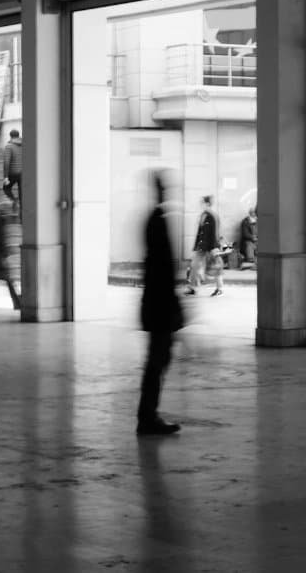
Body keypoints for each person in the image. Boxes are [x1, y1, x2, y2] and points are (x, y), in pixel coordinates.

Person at [137, 171, 185, 436]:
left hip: (157, 304)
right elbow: (161, 269)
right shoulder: (158, 221)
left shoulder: (153, 219)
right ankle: (147, 416)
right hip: (160, 306)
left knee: (157, 360)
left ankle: (148, 415)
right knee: (157, 361)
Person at [186, 195, 223, 297]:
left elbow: (215, 233)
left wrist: (215, 247)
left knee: (216, 267)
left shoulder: (213, 216)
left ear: (207, 203)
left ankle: (219, 289)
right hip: (202, 246)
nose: (200, 204)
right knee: (194, 266)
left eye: (202, 202)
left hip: (211, 246)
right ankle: (192, 288)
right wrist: (196, 246)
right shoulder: (203, 215)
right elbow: (200, 232)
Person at [2, 129, 23, 215]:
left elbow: (7, 161)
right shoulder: (24, 145)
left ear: (10, 136)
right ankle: (22, 217)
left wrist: (6, 176)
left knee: (6, 188)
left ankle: (14, 201)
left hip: (13, 173)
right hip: (23, 173)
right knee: (22, 195)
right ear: (18, 135)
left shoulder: (9, 146)